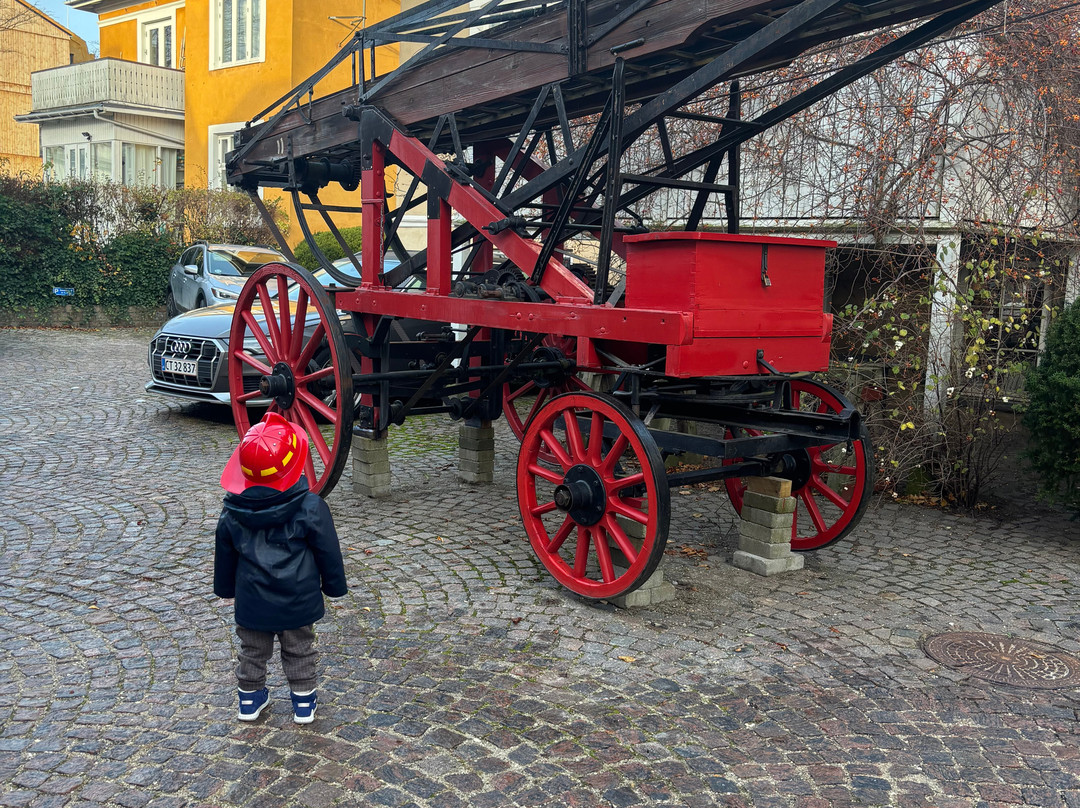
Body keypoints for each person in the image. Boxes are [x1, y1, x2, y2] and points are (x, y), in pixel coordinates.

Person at [214, 412, 347, 724]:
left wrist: (226, 589)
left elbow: (224, 555)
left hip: (252, 599)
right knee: (300, 649)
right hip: (297, 598)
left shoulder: (232, 511)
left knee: (252, 649)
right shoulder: (311, 507)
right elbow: (328, 550)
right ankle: (303, 703)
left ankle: (249, 701)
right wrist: (334, 587)